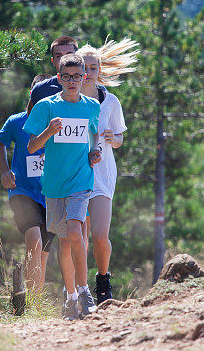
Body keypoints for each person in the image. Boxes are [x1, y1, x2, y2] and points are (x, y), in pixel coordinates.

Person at [24, 53, 101, 320]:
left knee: (74, 231)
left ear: (84, 78)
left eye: (77, 76)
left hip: (81, 181)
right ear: (59, 78)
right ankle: (69, 299)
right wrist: (48, 132)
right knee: (65, 243)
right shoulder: (46, 106)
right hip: (54, 185)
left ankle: (83, 290)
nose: (72, 81)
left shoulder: (92, 106)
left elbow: (93, 134)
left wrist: (95, 152)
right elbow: (31, 146)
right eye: (66, 76)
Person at [76, 39, 139, 304]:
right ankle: (80, 290)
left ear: (100, 70)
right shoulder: (68, 100)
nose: (89, 72)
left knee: (100, 236)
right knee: (79, 237)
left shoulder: (110, 101)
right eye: (85, 67)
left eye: (94, 67)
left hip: (102, 173)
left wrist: (114, 138)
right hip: (74, 172)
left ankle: (104, 279)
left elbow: (120, 138)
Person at [0, 73, 55, 291]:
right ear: (31, 94)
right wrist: (5, 171)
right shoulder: (17, 121)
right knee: (34, 239)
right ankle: (27, 300)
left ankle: (34, 303)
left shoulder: (59, 124)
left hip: (51, 194)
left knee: (43, 253)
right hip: (22, 191)